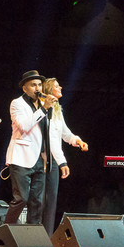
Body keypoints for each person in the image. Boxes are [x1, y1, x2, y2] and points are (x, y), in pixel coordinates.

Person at [39, 77, 88, 235]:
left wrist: (77, 141)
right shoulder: (42, 109)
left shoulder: (57, 110)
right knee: (40, 201)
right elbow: (50, 140)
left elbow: (65, 134)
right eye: (56, 86)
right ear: (48, 90)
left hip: (53, 161)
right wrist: (62, 162)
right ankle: (35, 238)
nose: (60, 87)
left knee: (51, 202)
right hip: (41, 160)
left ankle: (46, 238)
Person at [3, 70, 49, 225]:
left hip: (39, 158)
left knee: (37, 202)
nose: (38, 88)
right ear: (24, 88)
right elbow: (24, 126)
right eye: (33, 85)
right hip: (21, 157)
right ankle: (7, 229)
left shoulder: (43, 105)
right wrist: (43, 110)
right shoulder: (17, 103)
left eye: (39, 85)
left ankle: (32, 235)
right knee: (21, 198)